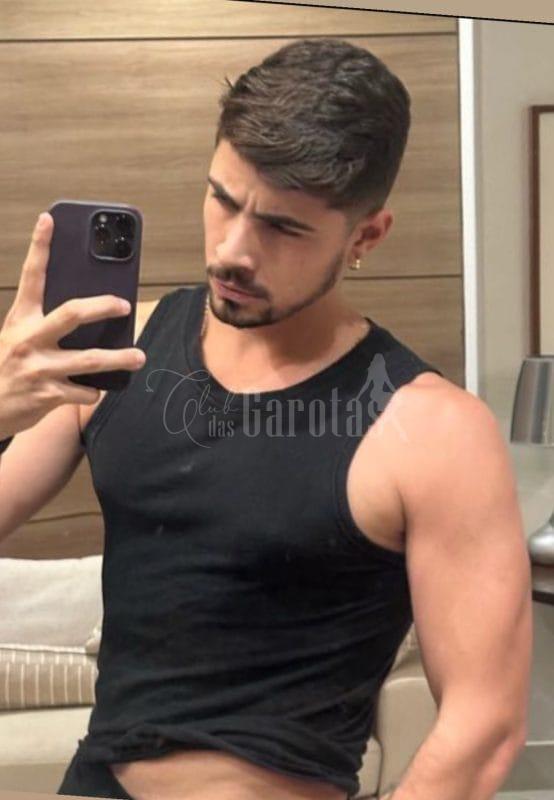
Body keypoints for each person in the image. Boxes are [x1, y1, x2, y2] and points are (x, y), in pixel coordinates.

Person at [0, 38, 531, 800]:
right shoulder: (119, 355)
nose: (233, 251)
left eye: (283, 228)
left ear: (366, 236)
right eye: (223, 199)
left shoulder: (433, 431)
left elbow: (484, 726)